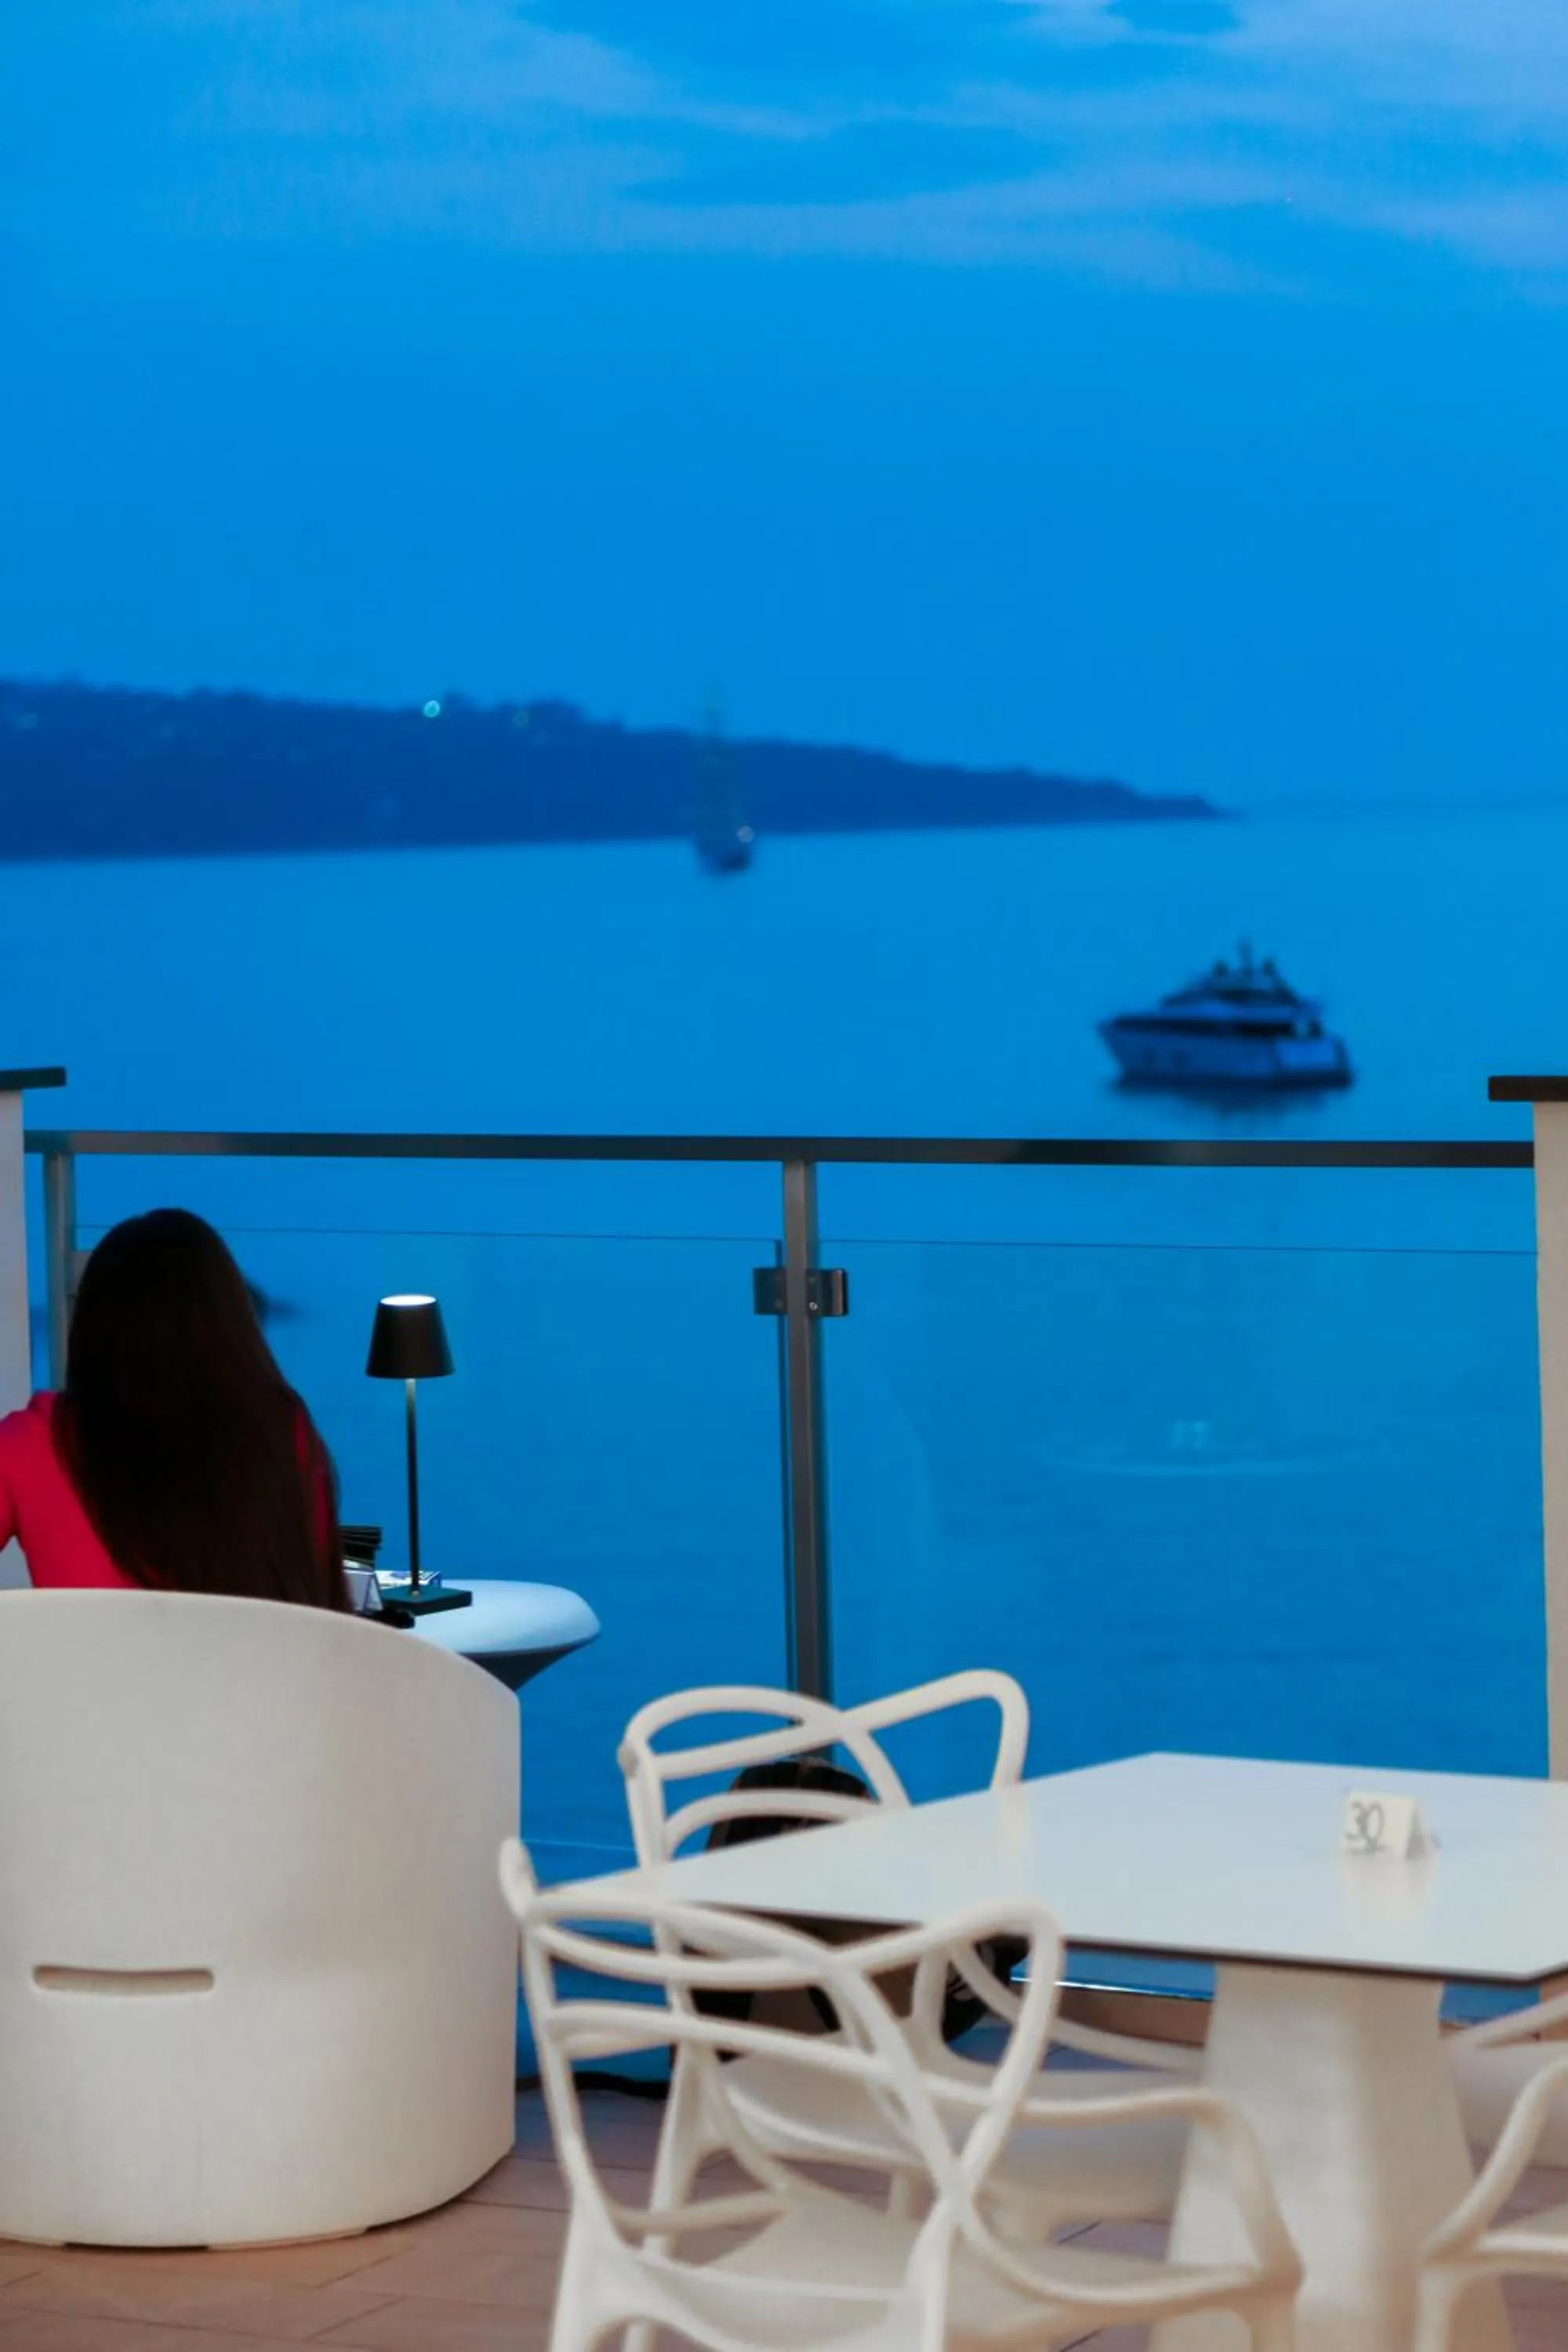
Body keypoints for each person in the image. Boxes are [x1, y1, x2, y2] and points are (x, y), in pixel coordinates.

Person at [0, 1208, 348, 1607]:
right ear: (229, 1319)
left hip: (90, 1653)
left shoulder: (37, 1441)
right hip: (260, 1651)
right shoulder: (280, 1428)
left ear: (92, 1325)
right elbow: (318, 1604)